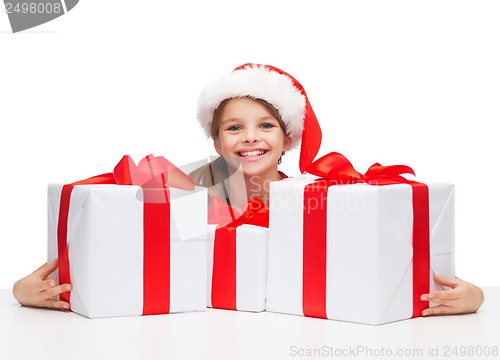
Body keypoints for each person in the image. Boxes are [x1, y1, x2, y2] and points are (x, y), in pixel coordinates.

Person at [13, 63, 484, 316]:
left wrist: (472, 298)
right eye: (234, 127)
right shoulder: (180, 190)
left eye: (265, 126)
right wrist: (24, 291)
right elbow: (112, 245)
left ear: (287, 138)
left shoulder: (314, 200)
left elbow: (375, 263)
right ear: (216, 140)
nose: (250, 137)